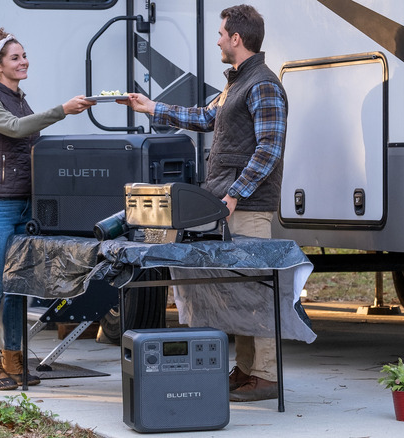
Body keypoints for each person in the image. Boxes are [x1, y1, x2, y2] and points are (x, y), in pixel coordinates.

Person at [119, 4, 287, 402]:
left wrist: (234, 193)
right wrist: (152, 107)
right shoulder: (236, 83)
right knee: (242, 292)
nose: (217, 39)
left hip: (248, 206)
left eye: (221, 33)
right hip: (230, 204)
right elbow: (202, 116)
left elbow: (269, 149)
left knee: (258, 293)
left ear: (237, 39)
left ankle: (266, 375)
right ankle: (246, 370)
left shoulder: (262, 84)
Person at [0, 28, 95, 390]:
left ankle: (15, 362)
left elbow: (33, 137)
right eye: (15, 57)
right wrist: (62, 110)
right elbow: (16, 129)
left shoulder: (20, 98)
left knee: (17, 287)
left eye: (24, 55)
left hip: (25, 205)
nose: (23, 61)